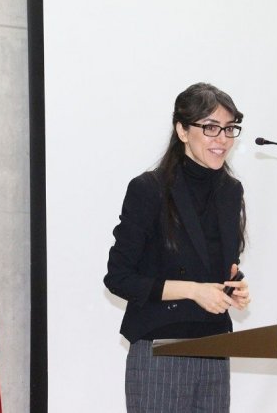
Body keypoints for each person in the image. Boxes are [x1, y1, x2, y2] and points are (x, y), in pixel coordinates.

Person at [104, 82, 251, 412]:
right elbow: (119, 278)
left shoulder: (231, 191)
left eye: (229, 128)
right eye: (210, 127)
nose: (222, 139)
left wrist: (234, 286)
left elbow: (216, 263)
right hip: (162, 346)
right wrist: (194, 291)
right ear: (182, 131)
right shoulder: (149, 189)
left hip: (215, 344)